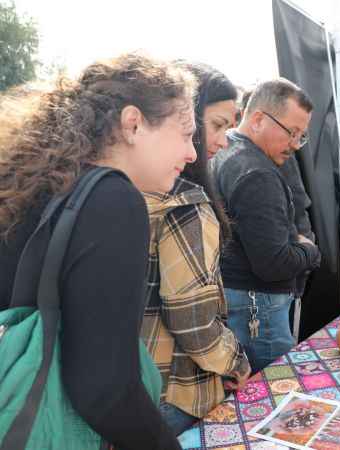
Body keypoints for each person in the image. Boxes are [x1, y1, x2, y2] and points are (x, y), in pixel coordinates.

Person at [0, 53, 196, 450]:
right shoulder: (113, 199)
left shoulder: (38, 184)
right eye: (186, 132)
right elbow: (105, 388)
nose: (193, 154)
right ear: (133, 123)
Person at [140, 62, 250, 435]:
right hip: (177, 392)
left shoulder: (123, 188)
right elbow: (194, 324)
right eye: (217, 125)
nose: (224, 140)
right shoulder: (184, 203)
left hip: (133, 389)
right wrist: (236, 363)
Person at [212, 79, 321, 373]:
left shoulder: (227, 150)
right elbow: (274, 264)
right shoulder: (257, 173)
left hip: (242, 297)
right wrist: (310, 252)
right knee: (273, 389)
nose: (296, 145)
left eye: (302, 136)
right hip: (258, 306)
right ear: (258, 119)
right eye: (291, 132)